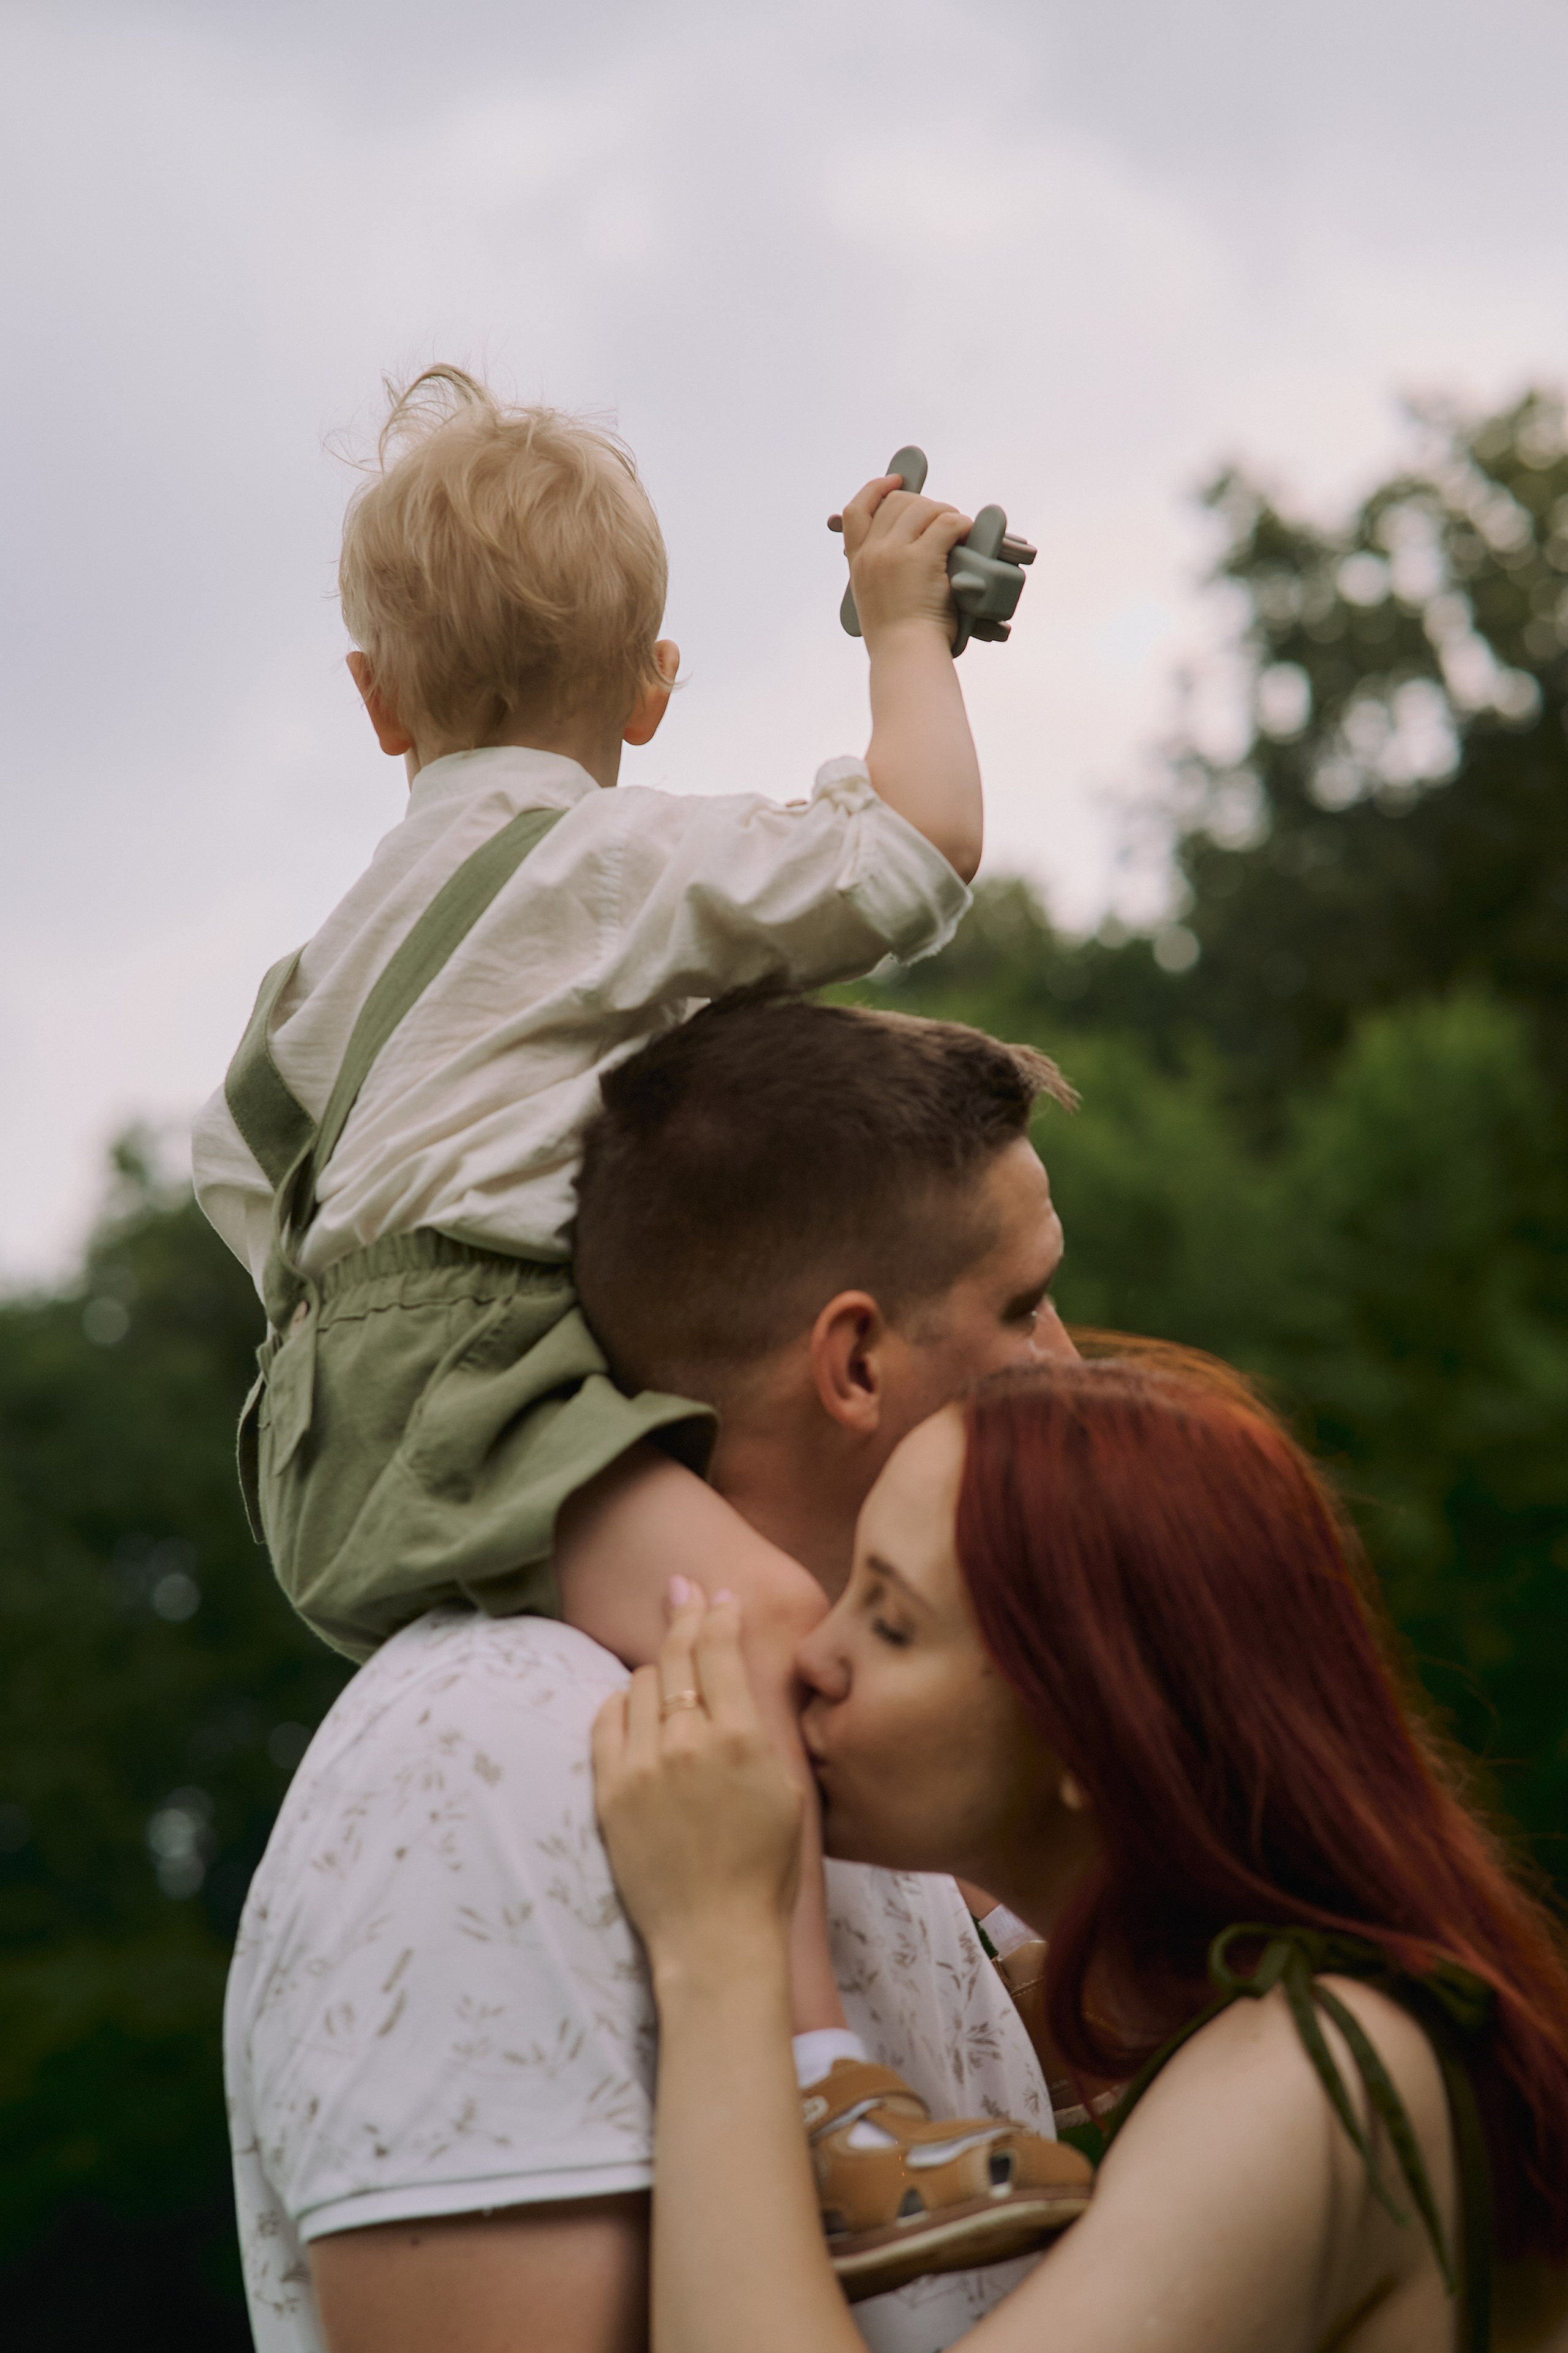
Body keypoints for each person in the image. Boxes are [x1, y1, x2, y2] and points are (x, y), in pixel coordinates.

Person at [195, 364, 1069, 2281]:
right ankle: (832, 2090)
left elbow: (237, 1166)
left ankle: (974, 1935)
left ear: (378, 701)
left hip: (323, 1393)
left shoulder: (329, 948)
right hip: (464, 1368)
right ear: (651, 689)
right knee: (749, 1620)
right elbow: (914, 852)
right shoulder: (610, 865)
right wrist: (911, 625)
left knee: (722, 1599)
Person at [225, 995, 1088, 2353]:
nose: (1071, 1362)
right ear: (852, 1360)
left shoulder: (861, 1775)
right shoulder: (491, 1763)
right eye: (1025, 1305)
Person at [593, 1352, 1568, 2353]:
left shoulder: (1319, 2076)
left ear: (1090, 1725)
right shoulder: (1298, 2024)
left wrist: (716, 1945)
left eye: (888, 1620)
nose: (814, 1657)